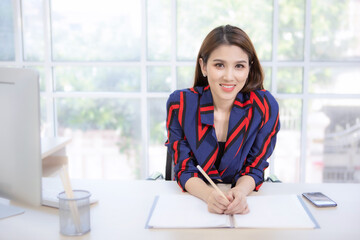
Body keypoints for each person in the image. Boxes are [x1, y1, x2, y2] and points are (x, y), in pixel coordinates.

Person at [165, 25, 280, 215]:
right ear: (203, 66)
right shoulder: (181, 104)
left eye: (239, 66)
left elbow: (255, 167)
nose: (229, 76)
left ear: (249, 68)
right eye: (219, 65)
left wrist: (241, 192)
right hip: (194, 206)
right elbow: (184, 167)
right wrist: (208, 195)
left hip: (243, 205)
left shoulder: (265, 106)